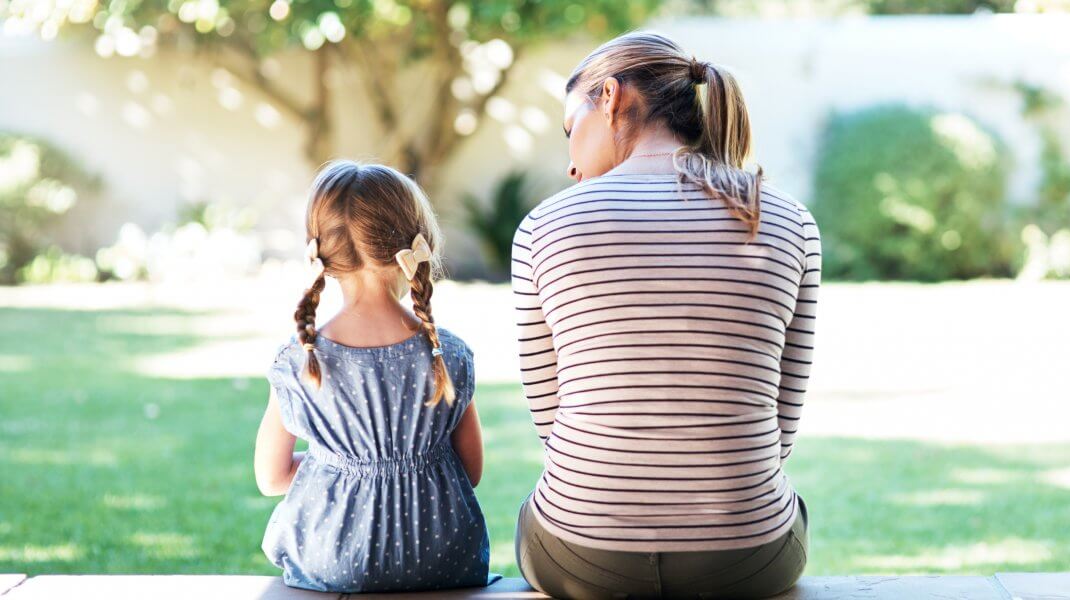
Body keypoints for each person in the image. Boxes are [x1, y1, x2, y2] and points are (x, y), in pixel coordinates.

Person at [511, 31, 822, 599]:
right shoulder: (787, 219)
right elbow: (782, 423)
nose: (571, 164)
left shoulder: (543, 227)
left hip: (580, 554)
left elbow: (551, 424)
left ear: (609, 97)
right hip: (747, 555)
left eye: (569, 129)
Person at [253, 160, 496, 593]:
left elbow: (271, 478)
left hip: (333, 561)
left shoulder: (300, 360)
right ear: (415, 243)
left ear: (321, 254)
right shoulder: (449, 354)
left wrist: (341, 463)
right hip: (442, 559)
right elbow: (471, 470)